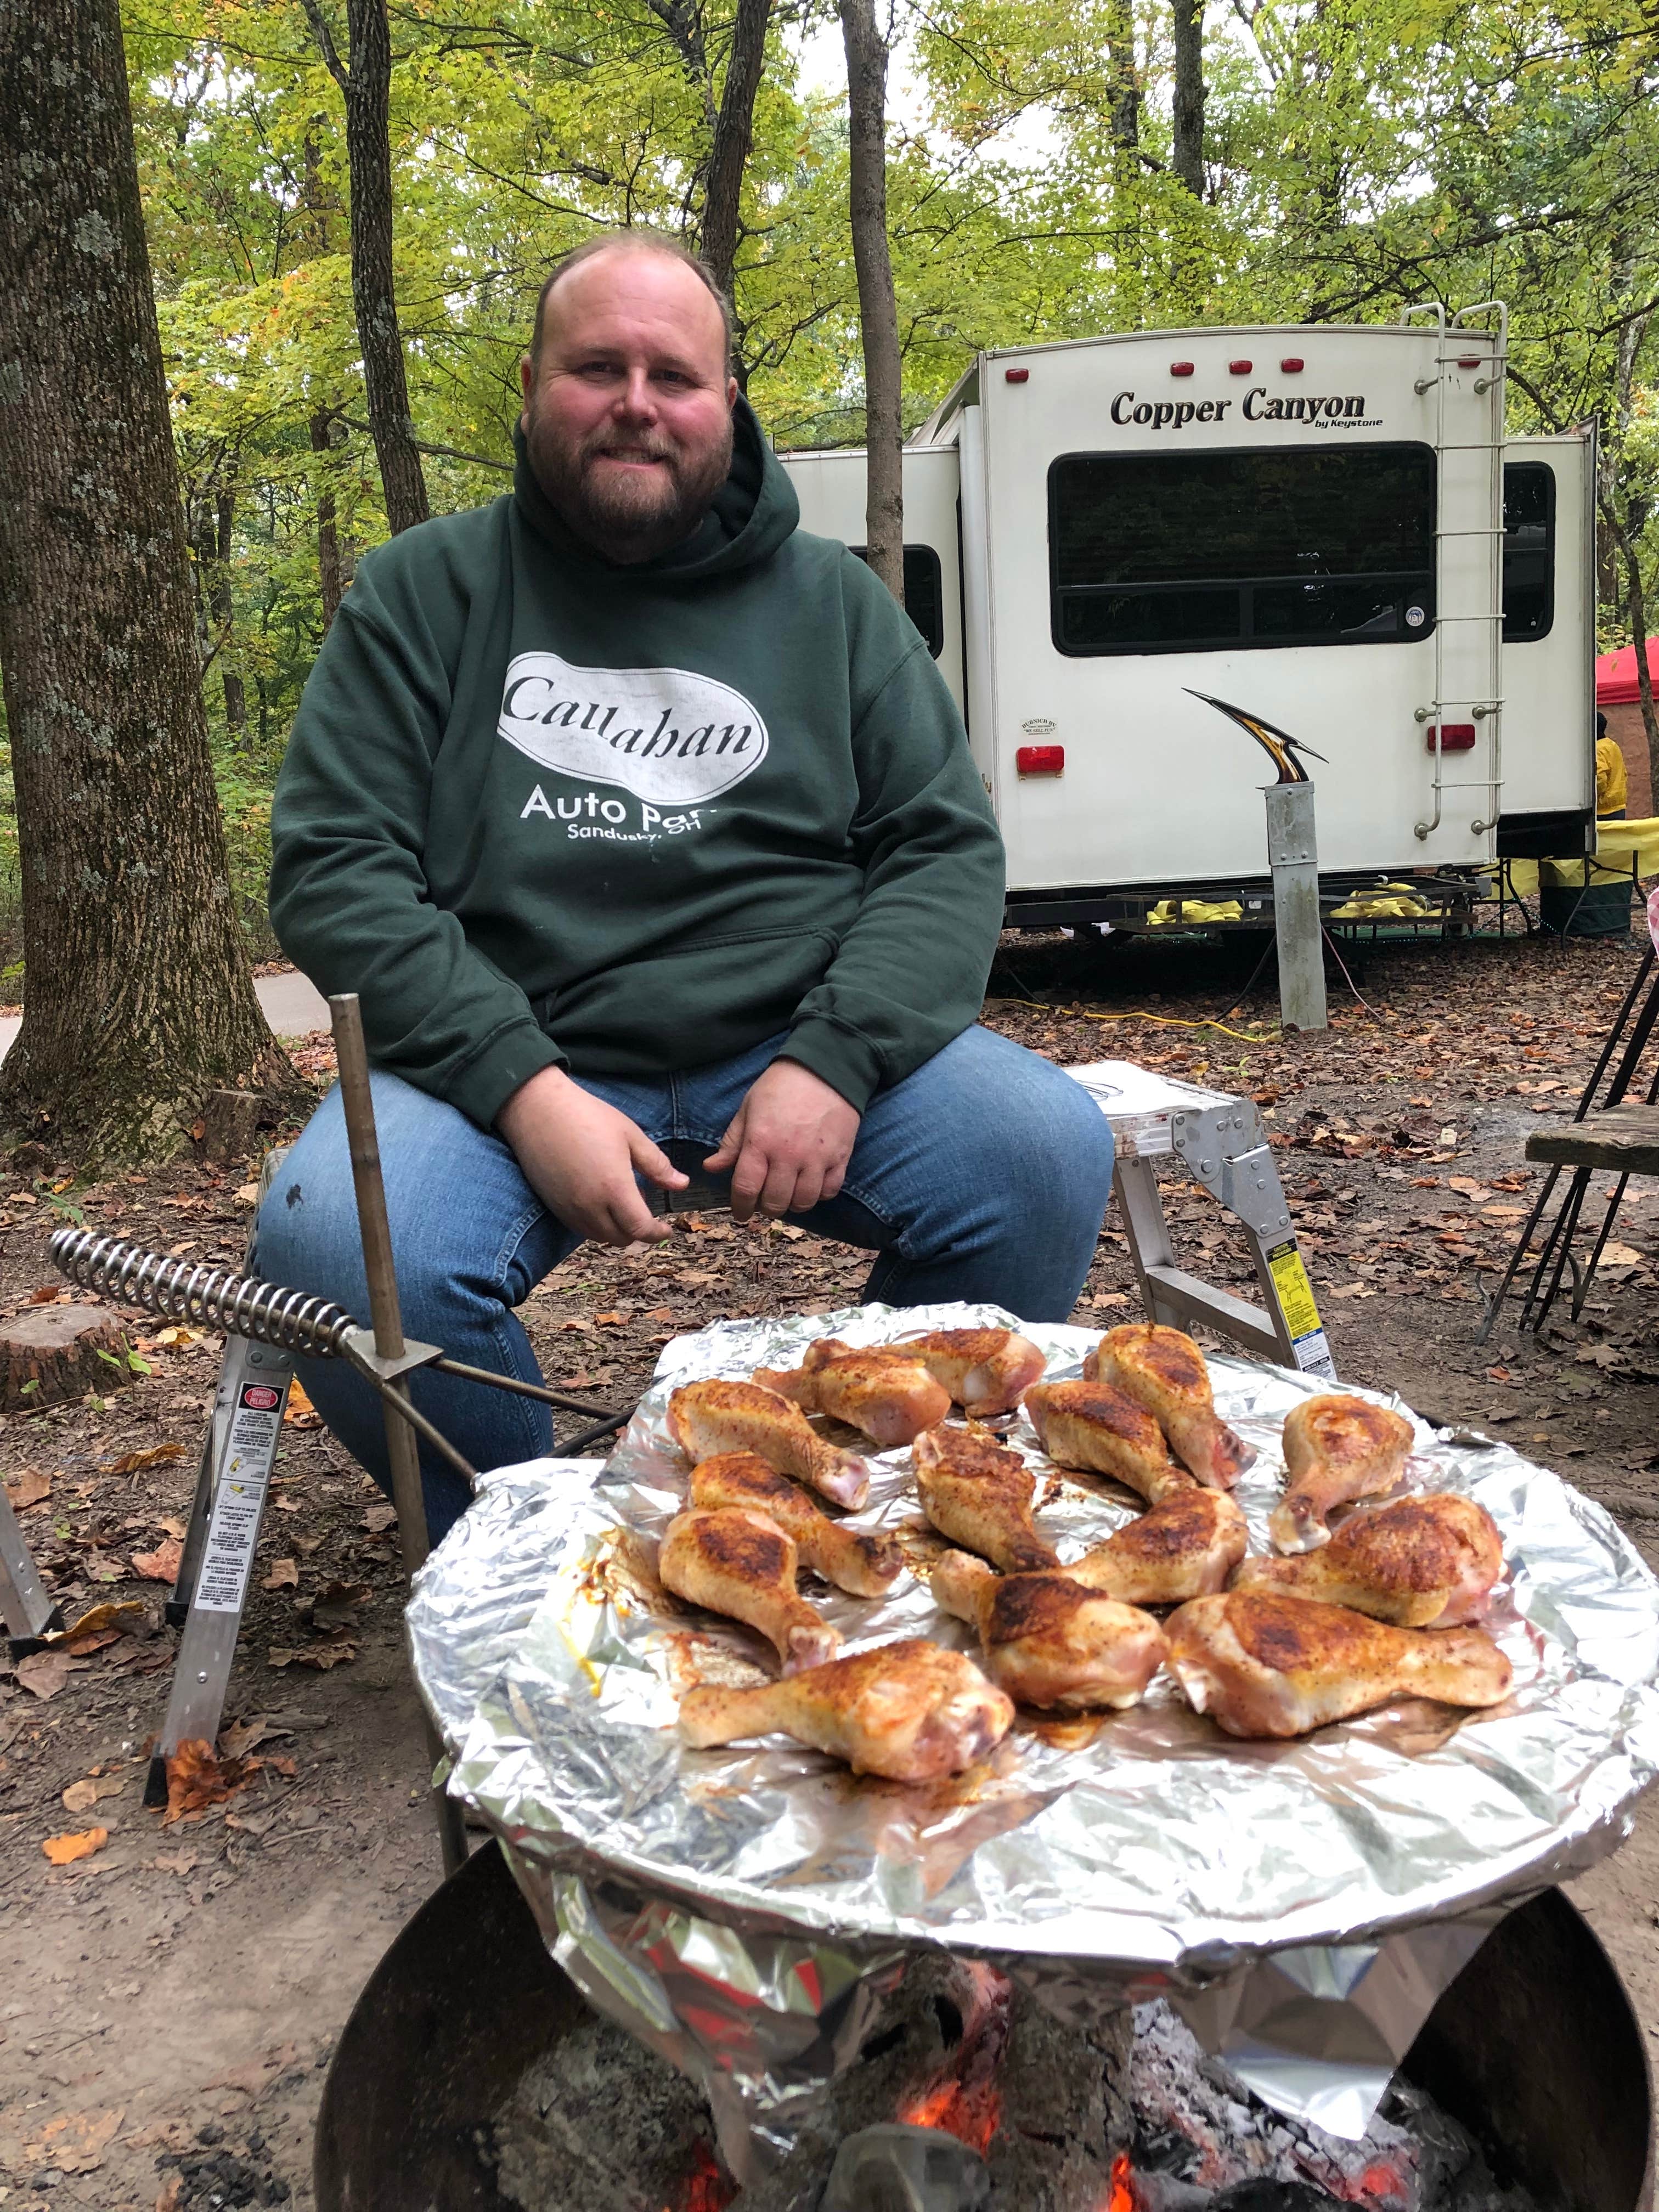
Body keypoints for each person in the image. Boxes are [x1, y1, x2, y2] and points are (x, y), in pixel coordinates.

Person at [256, 230, 1115, 1542]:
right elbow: (335, 868)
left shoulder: (832, 602)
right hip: (505, 1058)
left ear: (729, 403)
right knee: (335, 1255)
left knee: (1043, 1153)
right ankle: (536, 1570)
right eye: (597, 367)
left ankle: (860, 1507)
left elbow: (941, 847)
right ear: (534, 388)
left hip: (786, 1035)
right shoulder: (422, 595)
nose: (638, 403)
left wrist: (836, 1056)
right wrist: (523, 1088)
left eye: (676, 375)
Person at [1595, 710, 1628, 819]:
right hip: (1619, 807)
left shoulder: (1597, 749)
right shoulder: (1612, 745)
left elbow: (1599, 779)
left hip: (1604, 810)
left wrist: (1592, 799)